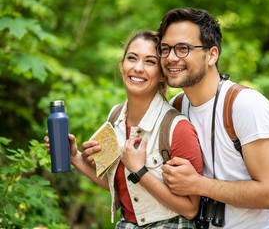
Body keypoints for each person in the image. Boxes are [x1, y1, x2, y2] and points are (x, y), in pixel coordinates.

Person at [44, 30, 203, 228]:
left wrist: (140, 171)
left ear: (162, 74)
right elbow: (119, 187)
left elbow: (190, 208)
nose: (138, 68)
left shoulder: (177, 128)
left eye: (150, 62)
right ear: (122, 66)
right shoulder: (115, 116)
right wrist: (74, 157)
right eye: (132, 58)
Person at [156, 8, 269, 229]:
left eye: (183, 48)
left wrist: (196, 184)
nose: (171, 57)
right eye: (165, 49)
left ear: (212, 55)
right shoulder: (177, 106)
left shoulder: (246, 105)